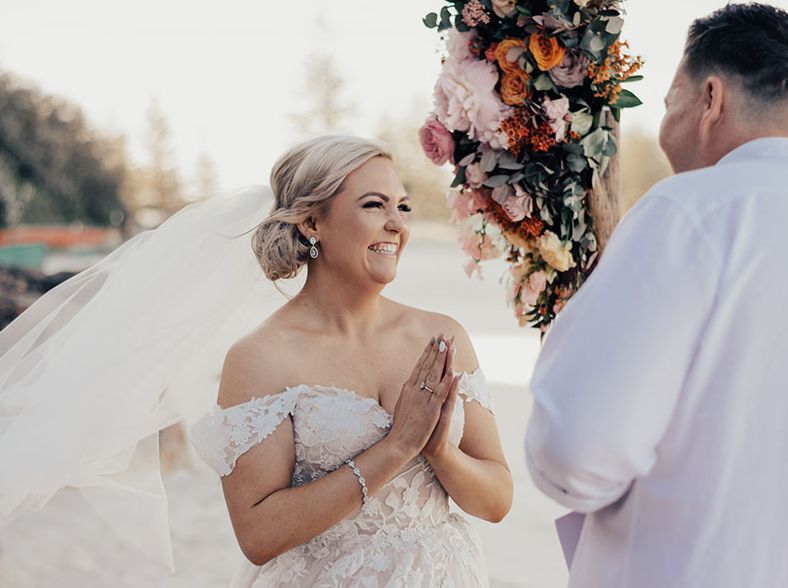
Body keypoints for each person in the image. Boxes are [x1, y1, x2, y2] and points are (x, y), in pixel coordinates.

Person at [524, 3, 788, 587]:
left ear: (711, 99)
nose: (666, 120)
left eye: (669, 102)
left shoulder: (692, 210)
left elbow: (576, 451)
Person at [188, 135, 513, 586]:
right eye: (374, 205)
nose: (397, 225)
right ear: (310, 222)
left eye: (403, 207)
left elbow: (496, 502)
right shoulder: (260, 357)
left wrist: (438, 448)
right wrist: (397, 446)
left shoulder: (442, 336)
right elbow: (258, 536)